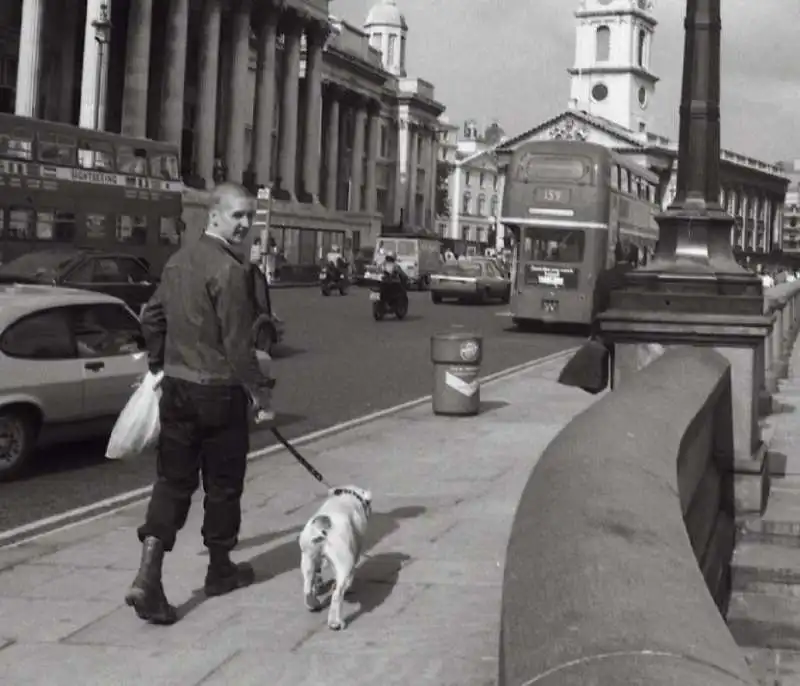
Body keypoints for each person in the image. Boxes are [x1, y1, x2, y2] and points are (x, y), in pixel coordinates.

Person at [126, 182, 275, 625]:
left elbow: (151, 317)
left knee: (172, 483)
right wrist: (261, 397)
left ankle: (148, 574)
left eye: (250, 216)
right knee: (224, 485)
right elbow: (238, 345)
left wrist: (160, 361)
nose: (246, 225)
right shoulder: (231, 270)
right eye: (237, 216)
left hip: (177, 389)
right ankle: (219, 569)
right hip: (219, 393)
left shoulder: (177, 261)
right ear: (214, 216)